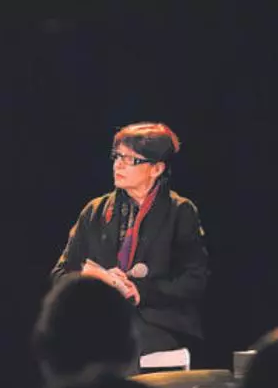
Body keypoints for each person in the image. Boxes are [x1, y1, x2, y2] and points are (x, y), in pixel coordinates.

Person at [50, 122, 208, 367]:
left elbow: (194, 280)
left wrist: (141, 291)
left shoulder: (180, 211)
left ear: (156, 169)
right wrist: (97, 279)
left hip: (158, 322)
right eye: (117, 157)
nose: (118, 165)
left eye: (130, 159)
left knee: (117, 345)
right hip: (102, 317)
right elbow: (60, 274)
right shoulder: (95, 211)